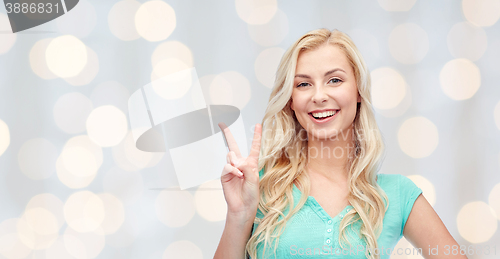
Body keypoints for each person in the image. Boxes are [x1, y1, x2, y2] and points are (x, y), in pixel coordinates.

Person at [213, 29, 467, 259]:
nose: (319, 96)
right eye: (303, 84)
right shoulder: (259, 187)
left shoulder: (396, 195)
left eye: (334, 80)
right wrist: (239, 215)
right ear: (291, 100)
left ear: (358, 91)